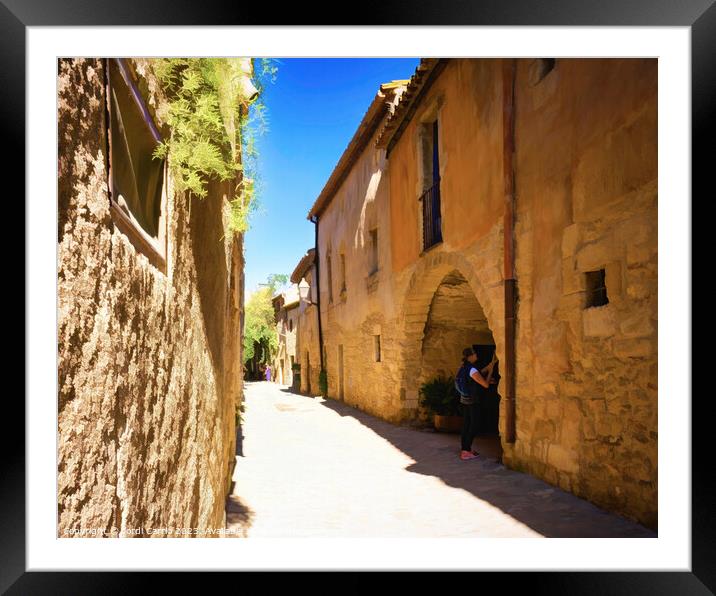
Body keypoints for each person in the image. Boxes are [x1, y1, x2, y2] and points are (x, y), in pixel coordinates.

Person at [457, 347, 495, 460]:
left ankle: (465, 449)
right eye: (474, 353)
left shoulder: (463, 366)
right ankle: (466, 451)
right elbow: (485, 385)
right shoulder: (472, 369)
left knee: (466, 424)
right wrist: (491, 372)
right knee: (474, 425)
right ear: (470, 356)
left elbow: (475, 375)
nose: (476, 354)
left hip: (464, 399)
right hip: (472, 401)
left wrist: (488, 367)